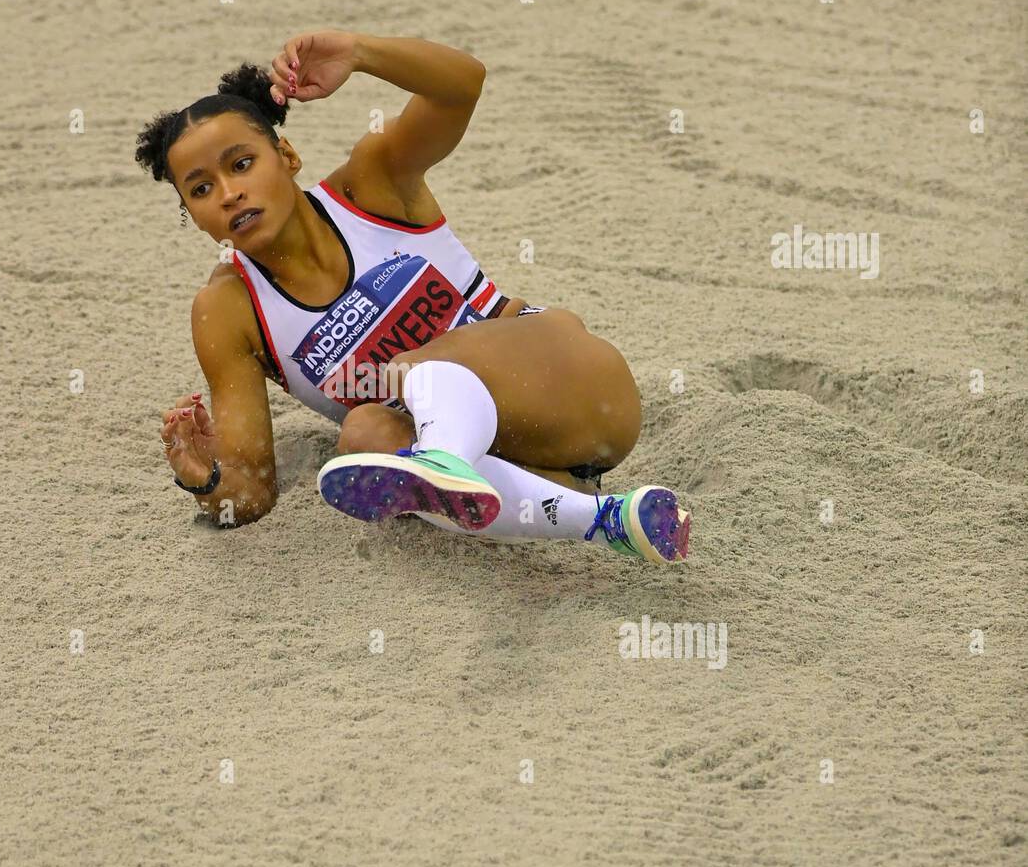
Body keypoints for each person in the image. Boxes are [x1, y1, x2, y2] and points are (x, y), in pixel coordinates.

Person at [135, 31, 689, 563]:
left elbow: (462, 84)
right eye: (201, 189)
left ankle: (445, 455)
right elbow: (250, 494)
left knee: (403, 372)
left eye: (242, 163)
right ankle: (601, 516)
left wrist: (357, 51)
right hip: (518, 463)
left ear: (287, 155)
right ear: (191, 214)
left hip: (579, 393)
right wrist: (203, 476)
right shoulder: (227, 310)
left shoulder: (371, 183)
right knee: (364, 436)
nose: (229, 194)